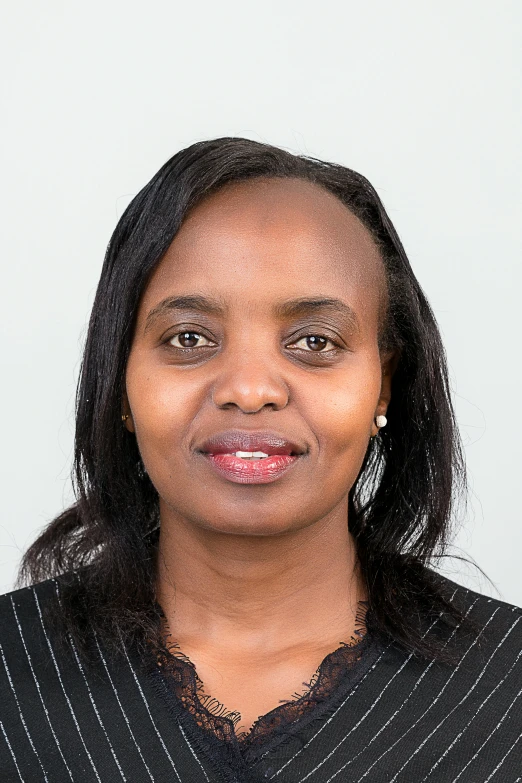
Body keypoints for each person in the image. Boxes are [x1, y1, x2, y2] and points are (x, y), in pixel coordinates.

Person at [1, 137, 520, 783]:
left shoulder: (508, 694)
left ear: (383, 382)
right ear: (119, 381)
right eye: (188, 337)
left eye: (314, 341)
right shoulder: (11, 681)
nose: (250, 388)